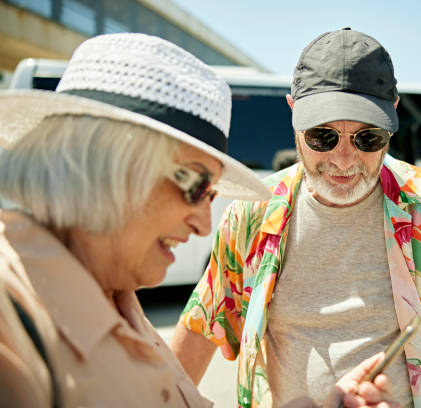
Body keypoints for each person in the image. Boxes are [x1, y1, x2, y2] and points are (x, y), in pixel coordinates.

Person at [0, 33, 396, 408]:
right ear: (97, 166)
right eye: (192, 183)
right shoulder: (11, 325)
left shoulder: (117, 294)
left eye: (211, 195)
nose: (205, 226)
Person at [172, 28, 421, 408]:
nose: (344, 160)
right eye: (322, 136)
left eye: (367, 138)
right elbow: (199, 329)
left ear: (393, 115)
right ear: (292, 113)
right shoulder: (253, 213)